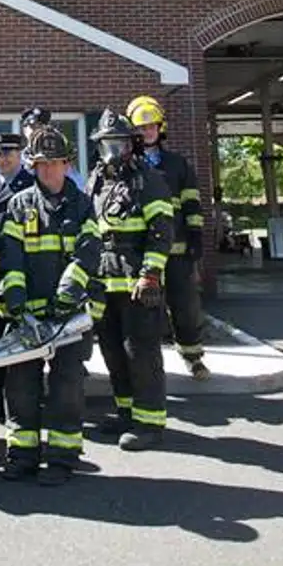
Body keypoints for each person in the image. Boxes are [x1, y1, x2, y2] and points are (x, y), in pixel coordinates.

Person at [0, 127, 101, 486]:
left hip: (69, 317)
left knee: (67, 386)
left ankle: (61, 457)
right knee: (21, 386)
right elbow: (10, 257)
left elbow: (89, 251)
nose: (47, 171)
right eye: (40, 165)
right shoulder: (19, 204)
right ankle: (22, 454)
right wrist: (14, 297)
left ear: (66, 164)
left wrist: (70, 289)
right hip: (27, 316)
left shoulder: (83, 203)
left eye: (53, 164)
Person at [86, 110, 175, 450]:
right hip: (105, 281)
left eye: (119, 142)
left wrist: (150, 274)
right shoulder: (96, 181)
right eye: (107, 143)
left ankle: (149, 422)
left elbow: (162, 233)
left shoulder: (148, 179)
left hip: (138, 282)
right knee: (112, 351)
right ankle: (126, 413)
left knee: (141, 354)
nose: (112, 150)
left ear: (131, 144)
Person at [125, 95, 210, 381]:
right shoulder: (129, 165)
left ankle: (193, 357)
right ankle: (145, 365)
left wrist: (196, 234)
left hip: (177, 250)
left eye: (152, 126)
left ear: (161, 128)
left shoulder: (178, 164)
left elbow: (192, 202)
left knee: (185, 305)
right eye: (142, 128)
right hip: (143, 252)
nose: (147, 132)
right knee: (145, 310)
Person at [0, 132, 34, 421]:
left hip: (24, 275)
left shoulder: (32, 185)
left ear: (19, 155)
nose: (1, 159)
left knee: (22, 341)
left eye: (7, 154)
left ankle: (24, 404)